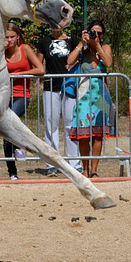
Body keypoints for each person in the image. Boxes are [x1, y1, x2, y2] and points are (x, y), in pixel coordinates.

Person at [67, 20, 114, 177]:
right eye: (93, 32)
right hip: (84, 96)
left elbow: (108, 63)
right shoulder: (84, 49)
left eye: (99, 33)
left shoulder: (105, 48)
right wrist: (82, 43)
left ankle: (94, 170)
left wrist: (98, 46)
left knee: (98, 134)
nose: (96, 35)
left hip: (101, 96)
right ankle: (85, 168)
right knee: (83, 134)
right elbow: (69, 61)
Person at [36, 27, 83, 176]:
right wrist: (39, 77)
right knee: (51, 125)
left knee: (70, 124)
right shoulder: (44, 41)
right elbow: (38, 63)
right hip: (51, 86)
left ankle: (75, 163)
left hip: (70, 85)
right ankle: (52, 164)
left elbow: (80, 58)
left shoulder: (73, 40)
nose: (55, 26)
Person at [2, 23, 45, 180]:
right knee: (6, 133)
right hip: (4, 96)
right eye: (6, 37)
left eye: (12, 37)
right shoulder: (2, 52)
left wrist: (21, 74)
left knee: (10, 120)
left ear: (18, 37)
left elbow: (40, 69)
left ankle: (19, 147)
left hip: (22, 95)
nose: (9, 40)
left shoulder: (25, 49)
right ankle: (12, 172)